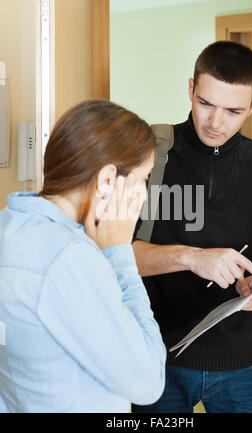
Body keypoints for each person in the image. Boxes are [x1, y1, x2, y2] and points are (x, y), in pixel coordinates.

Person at [132, 41, 252, 413]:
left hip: (243, 361)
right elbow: (118, 254)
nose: (215, 123)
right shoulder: (150, 157)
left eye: (233, 110)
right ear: (190, 89)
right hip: (159, 356)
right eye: (206, 104)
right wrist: (192, 258)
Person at [0, 99, 166, 413]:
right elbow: (149, 381)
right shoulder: (69, 259)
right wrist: (119, 254)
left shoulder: (8, 224)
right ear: (107, 180)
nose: (145, 194)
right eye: (144, 179)